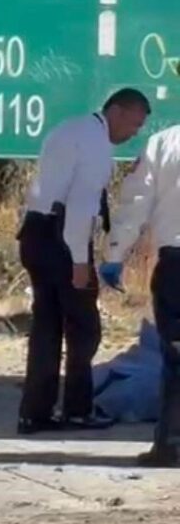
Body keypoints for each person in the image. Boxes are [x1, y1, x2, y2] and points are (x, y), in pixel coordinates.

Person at [17, 88, 150, 435]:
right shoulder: (95, 145)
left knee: (47, 326)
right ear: (117, 112)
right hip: (63, 238)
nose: (133, 134)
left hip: (34, 232)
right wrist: (79, 261)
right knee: (84, 328)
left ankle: (35, 412)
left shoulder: (70, 129)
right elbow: (79, 208)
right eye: (134, 125)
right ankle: (78, 409)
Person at [100, 125, 180, 465]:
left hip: (177, 264)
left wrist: (114, 256)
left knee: (176, 358)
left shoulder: (164, 144)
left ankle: (170, 444)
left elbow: (135, 204)